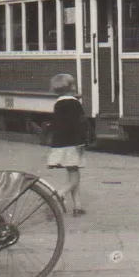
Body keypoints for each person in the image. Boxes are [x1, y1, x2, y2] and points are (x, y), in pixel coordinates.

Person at [46, 73, 88, 216]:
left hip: (61, 145)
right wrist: (82, 141)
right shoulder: (74, 103)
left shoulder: (58, 103)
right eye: (74, 84)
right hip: (73, 145)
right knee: (74, 177)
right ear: (71, 87)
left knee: (72, 174)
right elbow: (80, 124)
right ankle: (56, 196)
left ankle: (78, 206)